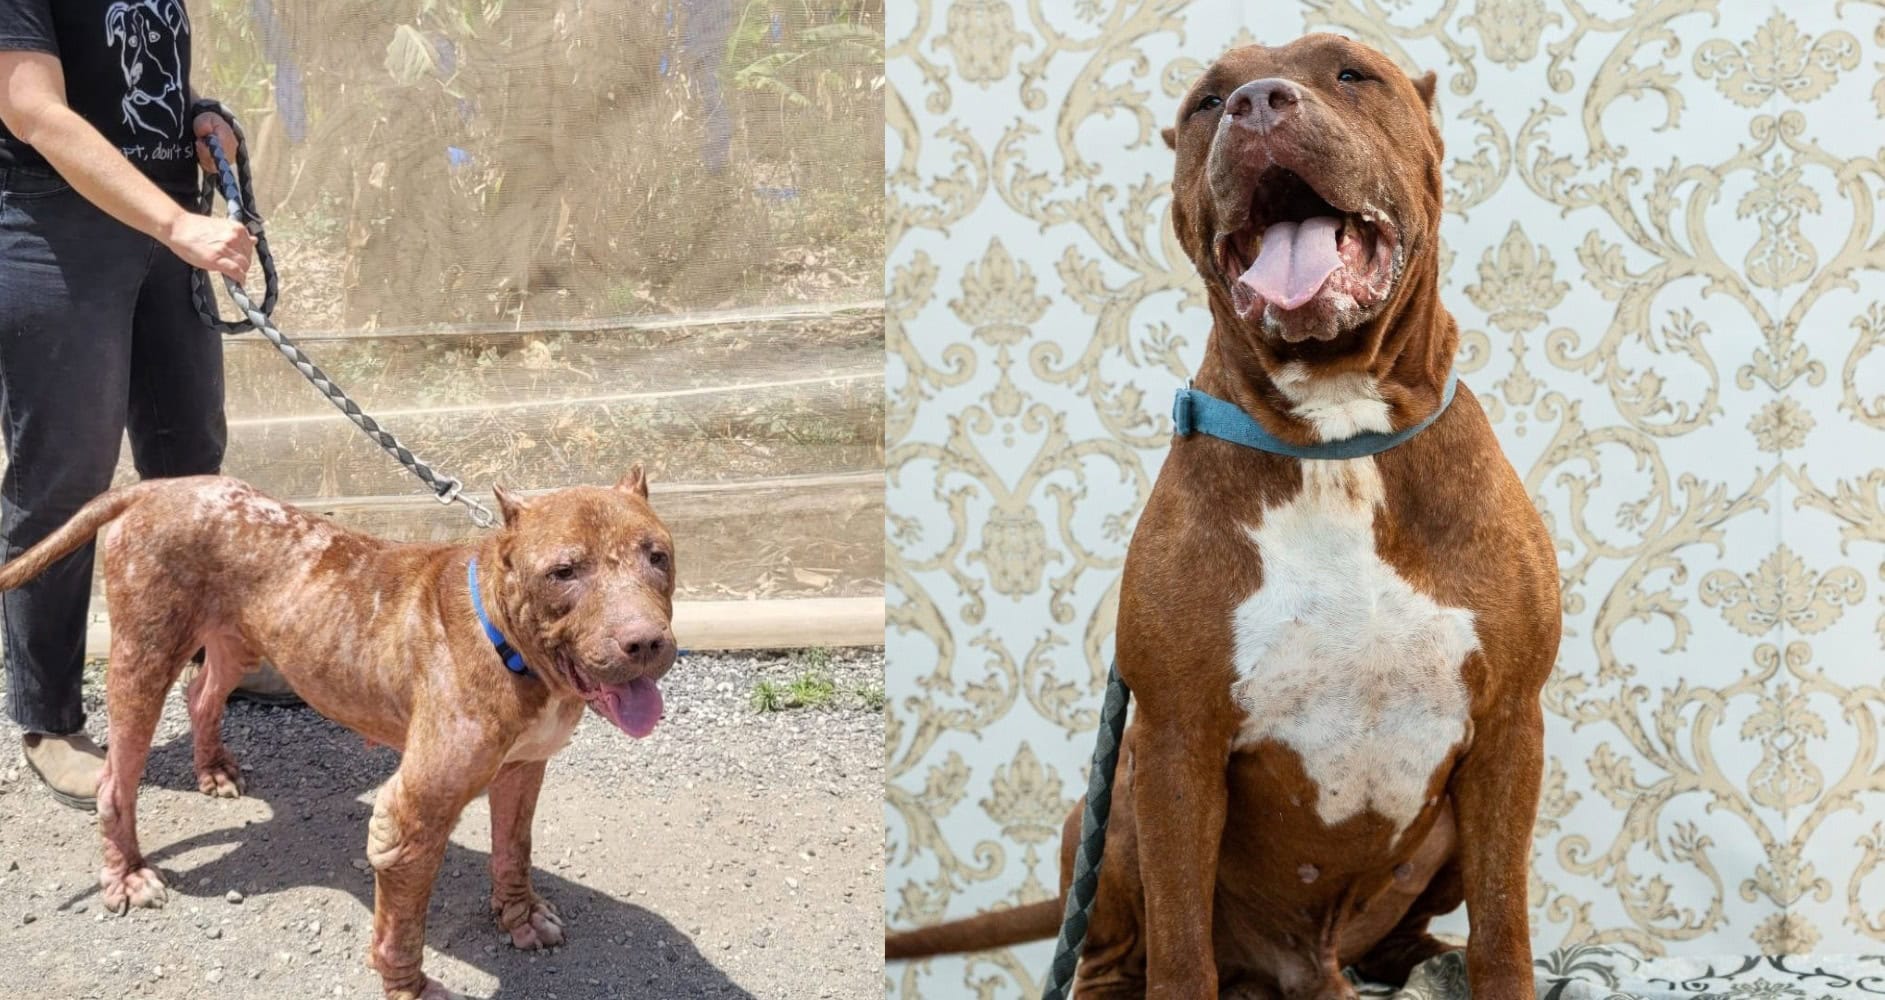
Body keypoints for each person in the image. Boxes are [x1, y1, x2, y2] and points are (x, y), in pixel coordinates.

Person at [0, 0, 253, 809]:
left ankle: (214, 655)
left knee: (190, 457)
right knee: (65, 477)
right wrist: (178, 222)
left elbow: (129, 77)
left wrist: (198, 113)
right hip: (55, 230)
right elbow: (31, 106)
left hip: (158, 224)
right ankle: (50, 717)